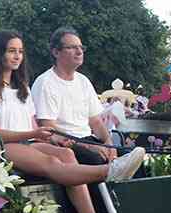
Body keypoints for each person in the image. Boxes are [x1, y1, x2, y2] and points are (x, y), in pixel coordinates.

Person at [0, 30, 145, 213]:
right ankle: (110, 171)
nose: (17, 55)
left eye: (20, 51)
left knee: (67, 154)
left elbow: (33, 125)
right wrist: (31, 135)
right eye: (11, 51)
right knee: (52, 163)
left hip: (24, 143)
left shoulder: (22, 87)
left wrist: (51, 136)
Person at [31, 27, 118, 163]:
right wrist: (88, 147)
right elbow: (49, 128)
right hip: (65, 144)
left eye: (81, 47)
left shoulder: (83, 81)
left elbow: (95, 121)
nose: (79, 52)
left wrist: (109, 143)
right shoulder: (45, 83)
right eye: (71, 47)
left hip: (89, 140)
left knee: (132, 158)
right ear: (56, 52)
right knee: (97, 160)